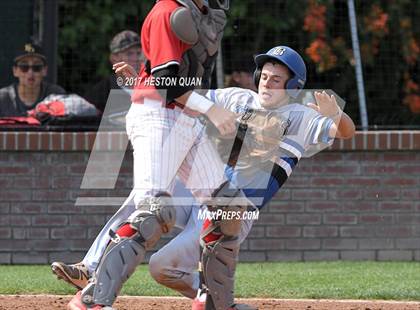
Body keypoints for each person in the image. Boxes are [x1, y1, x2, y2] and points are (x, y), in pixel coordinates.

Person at [52, 1, 253, 309]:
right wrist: (211, 109)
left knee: (229, 207)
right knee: (155, 210)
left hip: (185, 119)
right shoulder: (166, 12)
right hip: (157, 117)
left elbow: (180, 76)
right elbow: (165, 83)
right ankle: (92, 299)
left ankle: (216, 302)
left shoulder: (203, 16)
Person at [134, 46, 355, 310]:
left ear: (292, 86)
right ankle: (96, 267)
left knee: (161, 267)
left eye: (276, 79)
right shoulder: (238, 98)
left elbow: (346, 132)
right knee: (149, 200)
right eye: (264, 76)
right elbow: (190, 98)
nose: (266, 83)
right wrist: (146, 78)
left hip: (231, 213)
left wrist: (336, 115)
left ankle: (218, 299)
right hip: (202, 192)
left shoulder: (301, 117)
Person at [0, 42, 66, 117]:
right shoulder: (3, 98)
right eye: (24, 67)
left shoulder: (56, 95)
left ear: (44, 70)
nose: (30, 72)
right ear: (15, 71)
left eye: (36, 67)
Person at [84, 30, 142, 113]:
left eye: (139, 53)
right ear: (114, 58)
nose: (136, 58)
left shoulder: (153, 87)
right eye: (129, 54)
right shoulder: (102, 91)